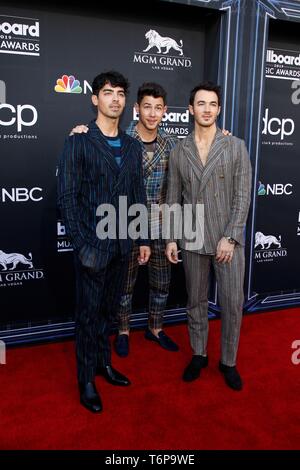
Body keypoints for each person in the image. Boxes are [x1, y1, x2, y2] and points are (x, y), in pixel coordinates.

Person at [57, 71, 151, 413]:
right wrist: (83, 246)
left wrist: (141, 237)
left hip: (122, 245)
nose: (115, 99)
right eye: (108, 93)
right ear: (95, 99)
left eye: (121, 93)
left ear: (126, 102)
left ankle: (103, 364)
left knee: (108, 312)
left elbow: (138, 193)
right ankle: (85, 379)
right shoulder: (78, 141)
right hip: (91, 248)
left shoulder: (131, 145)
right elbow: (66, 198)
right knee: (87, 315)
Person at [70, 82, 180, 357]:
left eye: (158, 108)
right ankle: (122, 330)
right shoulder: (122, 138)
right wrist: (78, 131)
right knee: (123, 286)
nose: (153, 114)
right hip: (123, 224)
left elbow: (178, 187)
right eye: (147, 107)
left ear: (165, 111)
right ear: (136, 109)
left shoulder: (172, 144)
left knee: (161, 283)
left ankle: (155, 328)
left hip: (159, 224)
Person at [166, 81, 252, 391]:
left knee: (231, 303)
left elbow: (242, 197)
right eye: (200, 104)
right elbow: (173, 197)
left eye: (212, 104)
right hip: (191, 237)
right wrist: (172, 238)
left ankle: (228, 361)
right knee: (195, 302)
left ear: (218, 109)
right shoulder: (179, 151)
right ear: (190, 109)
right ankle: (199, 354)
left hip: (227, 240)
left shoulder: (235, 146)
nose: (206, 109)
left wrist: (230, 237)